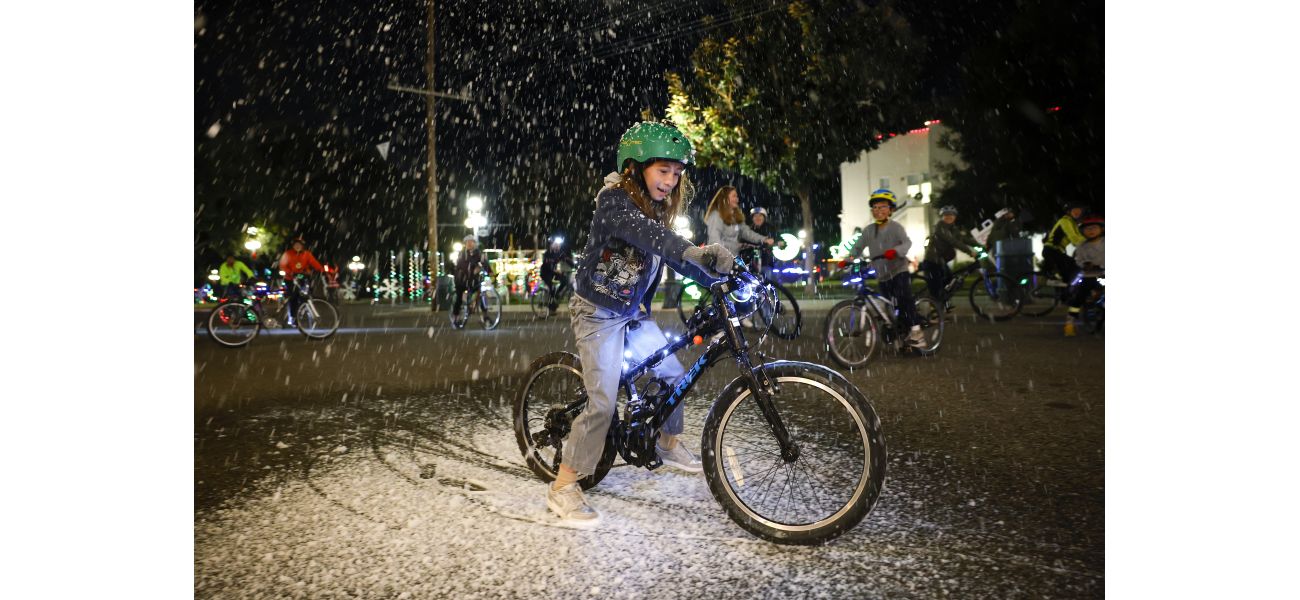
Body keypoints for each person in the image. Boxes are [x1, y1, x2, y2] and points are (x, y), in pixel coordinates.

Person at [548, 121, 733, 523]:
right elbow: (653, 239)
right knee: (603, 401)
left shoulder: (656, 210)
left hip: (631, 313)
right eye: (663, 170)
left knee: (672, 374)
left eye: (677, 173)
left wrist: (721, 278)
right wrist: (695, 252)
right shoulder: (614, 202)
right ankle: (563, 485)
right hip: (597, 314)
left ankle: (666, 441)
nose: (671, 180)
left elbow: (668, 255)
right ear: (635, 167)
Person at [843, 189, 926, 348]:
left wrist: (895, 251)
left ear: (890, 209)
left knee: (904, 300)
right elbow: (857, 248)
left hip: (898, 270)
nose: (878, 210)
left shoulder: (896, 227)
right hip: (882, 275)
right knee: (888, 307)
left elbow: (907, 243)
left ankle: (917, 332)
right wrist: (848, 259)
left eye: (882, 207)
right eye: (874, 207)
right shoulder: (868, 230)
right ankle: (899, 334)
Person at [921, 206, 982, 303]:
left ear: (955, 217)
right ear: (942, 217)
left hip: (941, 261)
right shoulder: (940, 227)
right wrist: (970, 252)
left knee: (950, 280)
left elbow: (964, 239)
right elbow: (953, 241)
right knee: (936, 289)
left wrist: (980, 246)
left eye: (952, 215)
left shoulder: (953, 229)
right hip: (932, 261)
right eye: (946, 215)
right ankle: (933, 311)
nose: (949, 217)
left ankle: (941, 304)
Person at [704, 185, 775, 258]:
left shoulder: (735, 217)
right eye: (734, 196)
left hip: (733, 258)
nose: (737, 199)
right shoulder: (716, 216)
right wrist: (721, 256)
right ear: (724, 198)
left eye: (737, 197)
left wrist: (764, 239)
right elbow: (714, 240)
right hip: (720, 259)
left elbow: (747, 233)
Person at [1064, 215, 1104, 337]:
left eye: (1094, 228)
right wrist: (1084, 264)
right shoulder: (1082, 246)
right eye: (1087, 229)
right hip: (1088, 275)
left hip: (1104, 275)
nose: (1091, 231)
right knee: (1079, 297)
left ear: (1101, 229)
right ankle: (1070, 322)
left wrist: (1101, 265)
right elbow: (1078, 259)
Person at [279, 237, 324, 324]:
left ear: (302, 246)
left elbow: (314, 263)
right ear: (293, 245)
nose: (297, 246)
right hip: (290, 279)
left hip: (302, 278)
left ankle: (304, 312)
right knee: (293, 297)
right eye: (296, 245)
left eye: (299, 245)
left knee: (305, 296)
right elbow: (282, 265)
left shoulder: (307, 254)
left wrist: (322, 270)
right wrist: (290, 272)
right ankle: (292, 317)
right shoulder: (288, 254)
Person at [1043, 202, 1087, 283]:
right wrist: (1089, 245)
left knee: (1073, 269)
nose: (1077, 212)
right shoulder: (1065, 221)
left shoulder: (1074, 223)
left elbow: (1079, 237)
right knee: (1072, 270)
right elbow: (1074, 238)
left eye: (1079, 211)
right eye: (1075, 210)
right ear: (1069, 211)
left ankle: (1065, 289)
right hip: (1052, 250)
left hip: (1057, 251)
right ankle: (1065, 292)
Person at [452, 235, 491, 318]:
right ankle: (456, 317)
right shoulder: (462, 254)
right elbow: (460, 266)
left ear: (474, 243)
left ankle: (485, 315)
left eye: (471, 242)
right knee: (459, 296)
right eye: (467, 242)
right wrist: (471, 268)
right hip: (462, 280)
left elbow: (485, 264)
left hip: (474, 280)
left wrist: (483, 269)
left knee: (480, 295)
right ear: (465, 244)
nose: (469, 244)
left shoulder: (479, 254)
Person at [539, 236, 576, 315]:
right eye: (556, 245)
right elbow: (548, 264)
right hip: (545, 273)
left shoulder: (559, 253)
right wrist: (555, 270)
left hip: (553, 272)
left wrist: (577, 267)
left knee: (565, 280)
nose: (558, 247)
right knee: (552, 287)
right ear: (552, 245)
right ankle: (551, 305)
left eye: (559, 245)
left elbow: (568, 260)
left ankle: (556, 296)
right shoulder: (547, 253)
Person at [746, 207, 782, 280]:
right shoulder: (748, 230)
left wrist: (778, 243)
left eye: (760, 216)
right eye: (755, 216)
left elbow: (780, 240)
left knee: (767, 282)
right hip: (750, 261)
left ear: (764, 217)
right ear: (752, 218)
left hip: (766, 261)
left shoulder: (771, 229)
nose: (758, 218)